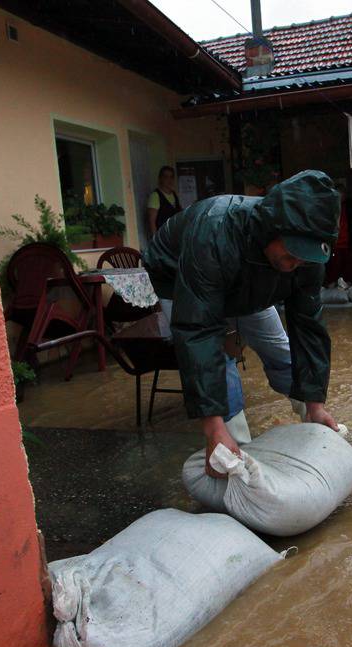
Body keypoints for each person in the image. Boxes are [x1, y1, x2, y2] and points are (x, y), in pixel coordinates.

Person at [142, 170, 341, 477]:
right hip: (177, 272)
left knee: (277, 345)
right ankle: (232, 448)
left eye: (303, 258)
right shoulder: (214, 232)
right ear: (270, 230)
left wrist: (315, 403)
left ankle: (309, 414)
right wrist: (213, 428)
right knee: (219, 355)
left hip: (250, 278)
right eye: (290, 254)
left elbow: (308, 326)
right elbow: (198, 331)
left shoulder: (305, 258)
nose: (295, 265)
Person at [146, 165, 181, 237]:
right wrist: (155, 241)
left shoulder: (174, 195)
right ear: (160, 179)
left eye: (171, 177)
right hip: (162, 237)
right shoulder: (155, 196)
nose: (169, 180)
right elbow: (151, 222)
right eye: (166, 177)